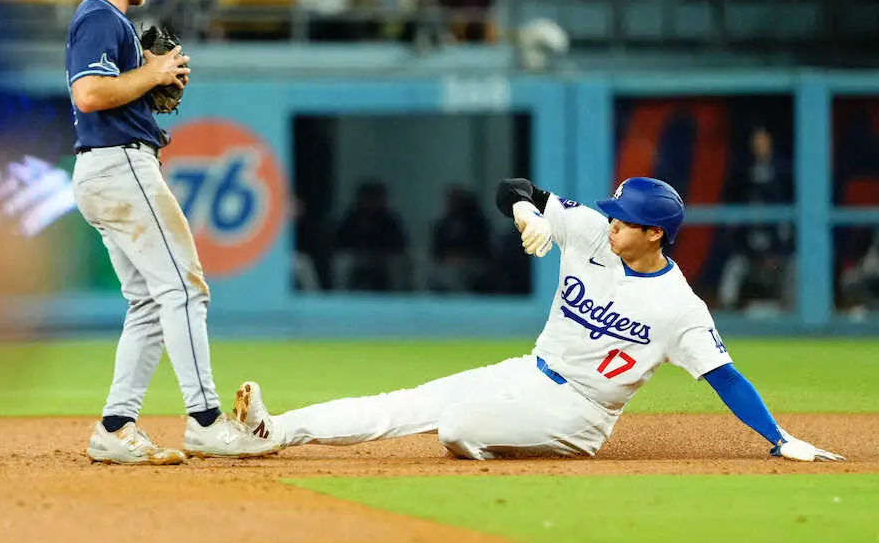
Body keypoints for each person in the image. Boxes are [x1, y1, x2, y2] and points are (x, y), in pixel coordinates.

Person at [232, 177, 845, 464]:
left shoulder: (680, 307)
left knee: (456, 425)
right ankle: (274, 431)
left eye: (625, 219)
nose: (611, 222)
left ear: (656, 233)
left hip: (581, 414)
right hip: (530, 370)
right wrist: (527, 213)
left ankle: (493, 437)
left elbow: (724, 376)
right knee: (405, 403)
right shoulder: (592, 232)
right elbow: (513, 187)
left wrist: (779, 438)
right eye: (612, 213)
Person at [67, 0, 279, 464]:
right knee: (185, 290)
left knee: (147, 302)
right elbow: (89, 93)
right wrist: (154, 73)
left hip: (105, 169)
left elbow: (106, 91)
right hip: (121, 166)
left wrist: (144, 77)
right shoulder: (99, 15)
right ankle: (206, 421)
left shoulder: (109, 21)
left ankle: (115, 428)